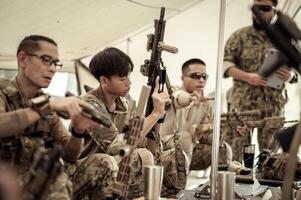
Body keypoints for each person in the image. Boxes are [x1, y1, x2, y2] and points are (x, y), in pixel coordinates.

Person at [0, 35, 118, 200]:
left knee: (104, 163)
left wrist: (78, 130)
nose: (53, 69)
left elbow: (70, 156)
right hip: (7, 184)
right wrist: (47, 106)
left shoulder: (46, 103)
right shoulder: (4, 92)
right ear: (22, 59)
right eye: (46, 60)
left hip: (37, 181)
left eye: (56, 63)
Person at [74, 47, 172, 198]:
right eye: (122, 78)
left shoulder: (124, 104)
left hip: (115, 169)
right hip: (86, 176)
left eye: (128, 76)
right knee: (139, 156)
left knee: (172, 155)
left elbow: (148, 146)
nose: (129, 82)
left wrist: (158, 117)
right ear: (104, 81)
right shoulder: (89, 105)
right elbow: (119, 147)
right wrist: (154, 114)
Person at [222, 0, 299, 161]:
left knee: (271, 158)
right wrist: (248, 77)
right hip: (243, 107)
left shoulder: (286, 39)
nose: (261, 13)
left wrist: (290, 76)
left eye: (265, 9)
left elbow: (297, 69)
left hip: (273, 106)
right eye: (257, 9)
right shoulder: (239, 36)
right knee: (237, 157)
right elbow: (226, 65)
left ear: (274, 11)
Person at [160, 58, 242, 171]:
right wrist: (190, 98)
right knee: (184, 137)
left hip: (187, 153)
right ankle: (178, 184)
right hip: (161, 151)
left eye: (204, 76)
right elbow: (178, 97)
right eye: (196, 75)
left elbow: (204, 135)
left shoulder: (205, 103)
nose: (201, 80)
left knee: (223, 148)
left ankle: (220, 185)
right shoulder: (170, 92)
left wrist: (227, 131)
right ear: (183, 78)